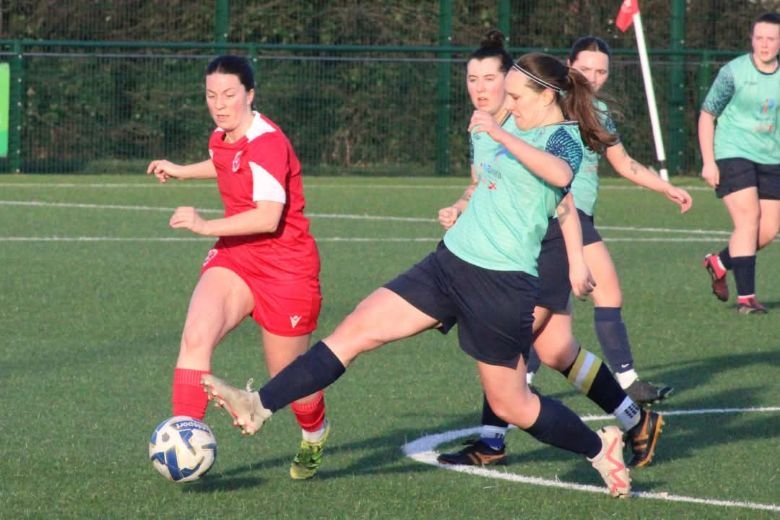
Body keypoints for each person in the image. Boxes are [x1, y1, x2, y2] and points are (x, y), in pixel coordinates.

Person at [202, 51, 633, 497]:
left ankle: (599, 449)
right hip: (448, 264)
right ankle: (258, 405)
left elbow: (559, 177)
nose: (507, 100)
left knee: (512, 403)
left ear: (547, 96)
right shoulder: (511, 126)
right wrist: (465, 204)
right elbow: (520, 195)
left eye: (516, 95)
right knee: (354, 332)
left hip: (501, 284)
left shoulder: (563, 137)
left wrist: (502, 135)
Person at [437, 33, 665, 469]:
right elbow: (483, 183)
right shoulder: (485, 126)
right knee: (558, 349)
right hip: (523, 246)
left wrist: (576, 260)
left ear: (514, 83)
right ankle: (637, 421)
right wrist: (461, 207)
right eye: (472, 79)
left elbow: (565, 202)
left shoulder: (543, 129)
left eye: (491, 79)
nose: (480, 88)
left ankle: (491, 441)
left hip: (547, 248)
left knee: (509, 344)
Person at [146, 55, 331, 481]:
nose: (220, 104)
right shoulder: (223, 134)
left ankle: (315, 433)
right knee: (196, 336)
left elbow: (267, 216)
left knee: (290, 380)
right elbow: (222, 161)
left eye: (229, 95)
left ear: (250, 94)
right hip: (237, 257)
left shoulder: (268, 142)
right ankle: (186, 442)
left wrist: (204, 224)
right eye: (211, 96)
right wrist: (180, 171)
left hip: (287, 269)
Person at [700, 12, 780, 314]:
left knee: (769, 229)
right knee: (749, 217)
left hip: (772, 157)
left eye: (771, 38)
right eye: (759, 38)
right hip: (732, 151)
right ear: (752, 39)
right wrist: (709, 162)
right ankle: (747, 299)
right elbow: (708, 114)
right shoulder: (733, 72)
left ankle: (719, 262)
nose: (764, 44)